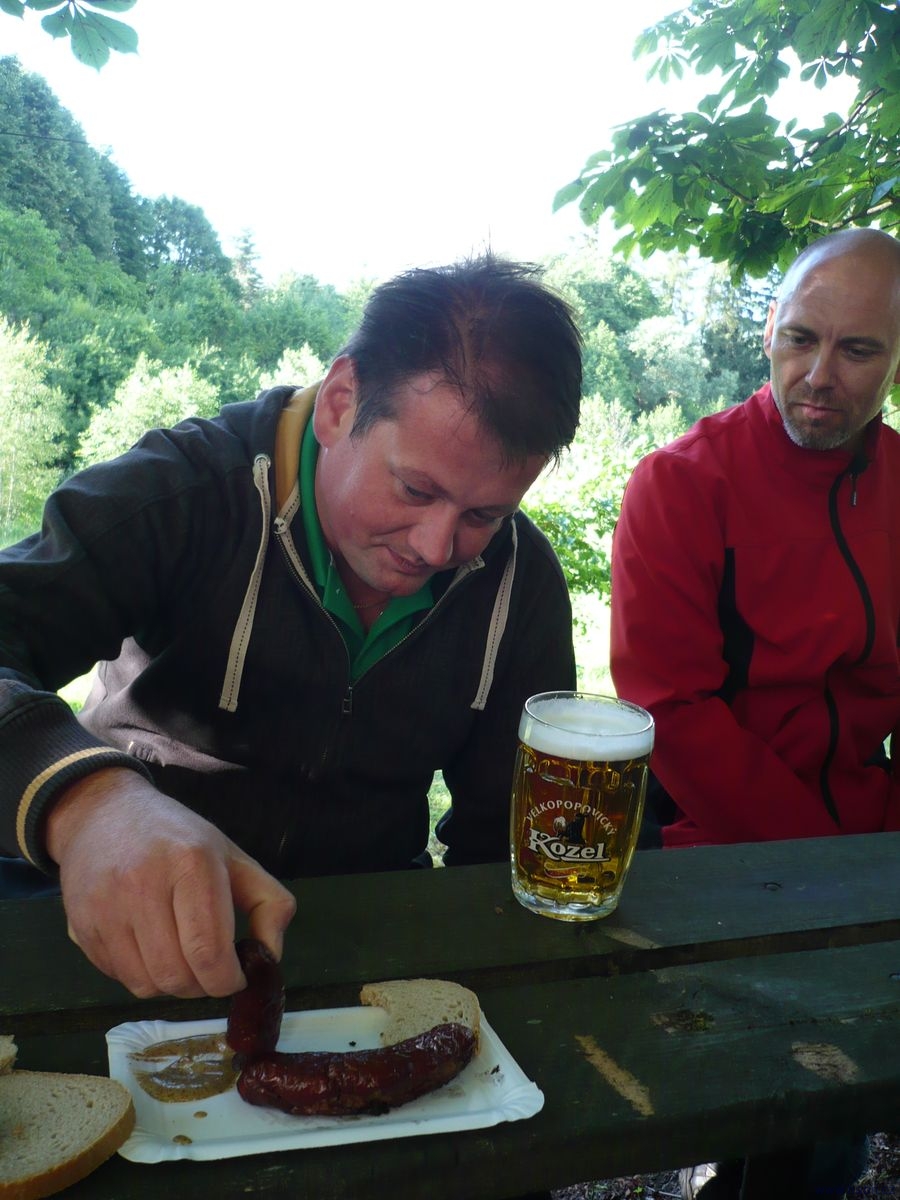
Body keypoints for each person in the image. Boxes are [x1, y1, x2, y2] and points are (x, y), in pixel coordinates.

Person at [0, 255, 582, 1005]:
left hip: (359, 945)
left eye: (484, 514)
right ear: (340, 404)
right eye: (415, 489)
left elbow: (503, 843)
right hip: (102, 917)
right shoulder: (186, 490)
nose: (437, 548)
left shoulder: (520, 582)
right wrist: (85, 803)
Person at [610, 227, 900, 1198]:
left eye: (858, 350)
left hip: (872, 837)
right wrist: (834, 876)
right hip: (711, 845)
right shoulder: (682, 484)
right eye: (801, 338)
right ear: (768, 331)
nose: (820, 375)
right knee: (783, 1087)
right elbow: (670, 708)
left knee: (834, 1116)